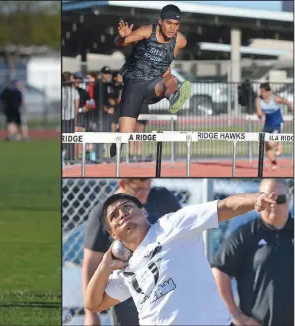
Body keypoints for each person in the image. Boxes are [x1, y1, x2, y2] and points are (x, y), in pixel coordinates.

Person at [84, 189, 278, 325]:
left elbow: (225, 207)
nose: (122, 214)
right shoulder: (126, 269)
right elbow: (93, 304)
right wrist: (104, 267)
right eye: (114, 215)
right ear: (113, 234)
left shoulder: (172, 225)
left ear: (143, 211)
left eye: (127, 207)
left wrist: (256, 199)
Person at [82, 178, 181, 326]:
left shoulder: (162, 197)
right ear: (122, 184)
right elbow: (91, 263)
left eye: (147, 188)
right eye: (138, 190)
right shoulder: (104, 214)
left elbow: (180, 232)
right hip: (127, 296)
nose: (144, 195)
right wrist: (90, 316)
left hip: (166, 286)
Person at [110, 4, 190, 159]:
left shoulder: (180, 41)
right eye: (169, 23)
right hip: (133, 85)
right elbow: (120, 43)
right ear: (160, 21)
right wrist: (122, 36)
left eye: (176, 25)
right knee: (125, 134)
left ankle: (174, 98)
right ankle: (117, 143)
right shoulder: (148, 31)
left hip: (153, 85)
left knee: (171, 79)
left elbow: (167, 63)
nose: (172, 28)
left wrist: (166, 75)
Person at [211, 179, 293, 326]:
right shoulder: (247, 234)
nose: (273, 205)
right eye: (267, 199)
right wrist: (234, 314)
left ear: (290, 198)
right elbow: (219, 270)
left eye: (280, 198)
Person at [255, 82, 293, 169]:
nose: (262, 94)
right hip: (267, 124)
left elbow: (287, 102)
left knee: (271, 142)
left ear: (269, 91)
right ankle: (274, 162)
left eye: (264, 92)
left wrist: (292, 109)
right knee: (265, 143)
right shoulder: (258, 99)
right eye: (261, 92)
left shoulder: (275, 98)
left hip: (277, 123)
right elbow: (259, 112)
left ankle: (278, 144)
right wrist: (259, 115)